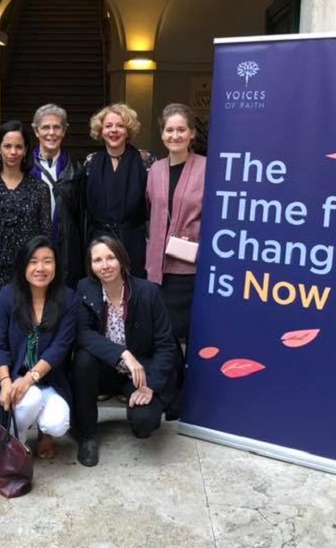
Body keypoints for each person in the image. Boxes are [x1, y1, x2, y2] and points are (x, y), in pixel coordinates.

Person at [72, 235, 177, 467]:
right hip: (104, 370)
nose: (105, 265)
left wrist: (152, 385)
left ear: (121, 259)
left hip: (138, 373)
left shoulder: (147, 292)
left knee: (145, 423)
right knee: (83, 359)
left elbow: (166, 345)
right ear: (91, 265)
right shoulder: (85, 288)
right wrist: (123, 353)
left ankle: (136, 411)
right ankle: (87, 434)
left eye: (110, 257)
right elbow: (83, 334)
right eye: (97, 260)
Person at [0, 236, 75, 459]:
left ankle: (46, 433)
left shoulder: (68, 299)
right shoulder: (8, 296)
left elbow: (59, 348)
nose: (41, 268)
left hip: (50, 381)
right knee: (30, 398)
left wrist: (29, 379)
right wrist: (6, 382)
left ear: (56, 265)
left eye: (48, 261)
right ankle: (19, 439)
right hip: (14, 377)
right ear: (23, 265)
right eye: (33, 261)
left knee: (58, 422)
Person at [145, 103, 206, 417]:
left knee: (194, 336)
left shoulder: (208, 168)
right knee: (165, 337)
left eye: (181, 129)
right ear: (162, 133)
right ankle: (172, 395)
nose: (175, 135)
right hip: (159, 269)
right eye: (169, 129)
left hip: (191, 268)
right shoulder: (154, 170)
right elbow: (150, 212)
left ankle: (194, 398)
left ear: (192, 133)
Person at [0, 120, 51, 328]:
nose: (13, 152)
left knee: (25, 331)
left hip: (28, 274)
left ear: (26, 150)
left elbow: (45, 235)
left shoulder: (39, 189)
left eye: (19, 146)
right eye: (7, 146)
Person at [83, 103, 155, 279]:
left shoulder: (146, 161)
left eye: (120, 126)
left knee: (133, 291)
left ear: (128, 131)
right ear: (100, 131)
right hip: (100, 241)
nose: (113, 130)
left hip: (134, 241)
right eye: (108, 126)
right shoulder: (91, 162)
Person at [29, 104, 87, 284]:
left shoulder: (77, 171)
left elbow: (82, 218)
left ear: (64, 131)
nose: (51, 133)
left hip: (67, 251)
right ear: (36, 131)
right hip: (32, 249)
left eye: (57, 127)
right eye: (45, 127)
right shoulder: (24, 168)